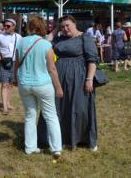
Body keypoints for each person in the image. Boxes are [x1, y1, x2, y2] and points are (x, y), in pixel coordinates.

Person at [38, 15, 99, 151]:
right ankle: (58, 138)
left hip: (79, 78)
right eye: (62, 27)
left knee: (79, 109)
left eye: (67, 26)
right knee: (57, 107)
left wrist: (89, 79)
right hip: (58, 78)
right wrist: (55, 30)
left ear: (74, 24)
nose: (65, 29)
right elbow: (46, 41)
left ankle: (83, 139)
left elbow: (92, 60)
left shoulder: (85, 38)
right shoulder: (59, 39)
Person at [13, 16, 63, 157]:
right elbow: (52, 69)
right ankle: (56, 148)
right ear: (42, 28)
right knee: (51, 116)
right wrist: (58, 87)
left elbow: (16, 64)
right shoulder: (46, 45)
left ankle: (30, 148)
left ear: (29, 27)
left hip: (25, 83)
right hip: (43, 84)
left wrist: (15, 79)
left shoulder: (21, 42)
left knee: (30, 116)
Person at [0, 18, 21, 115]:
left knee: (11, 84)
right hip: (4, 63)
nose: (5, 27)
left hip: (15, 62)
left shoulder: (19, 37)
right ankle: (5, 107)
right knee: (4, 84)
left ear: (14, 26)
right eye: (5, 25)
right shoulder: (1, 36)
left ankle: (8, 103)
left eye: (8, 26)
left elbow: (22, 49)